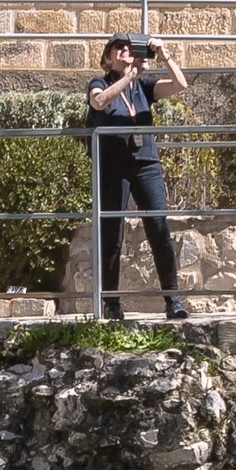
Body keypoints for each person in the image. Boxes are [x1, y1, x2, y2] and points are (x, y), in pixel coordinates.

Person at [85, 34, 186, 320]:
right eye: (118, 47)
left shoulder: (143, 86)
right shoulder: (99, 82)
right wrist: (128, 77)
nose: (124, 50)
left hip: (146, 163)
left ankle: (173, 299)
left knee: (158, 228)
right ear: (108, 57)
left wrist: (163, 53)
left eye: (129, 47)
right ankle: (111, 302)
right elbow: (99, 102)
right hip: (113, 167)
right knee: (112, 234)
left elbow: (180, 84)